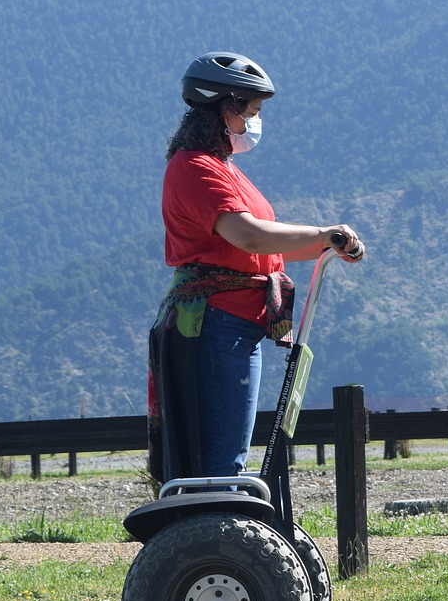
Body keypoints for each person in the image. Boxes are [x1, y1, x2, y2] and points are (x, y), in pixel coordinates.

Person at [148, 51, 362, 483]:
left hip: (241, 322)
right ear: (225, 107)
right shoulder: (194, 167)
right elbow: (248, 236)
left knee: (230, 451)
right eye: (252, 111)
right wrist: (323, 234)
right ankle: (214, 540)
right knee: (221, 458)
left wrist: (328, 247)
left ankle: (220, 533)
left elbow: (269, 250)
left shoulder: (224, 168)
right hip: (217, 322)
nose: (254, 123)